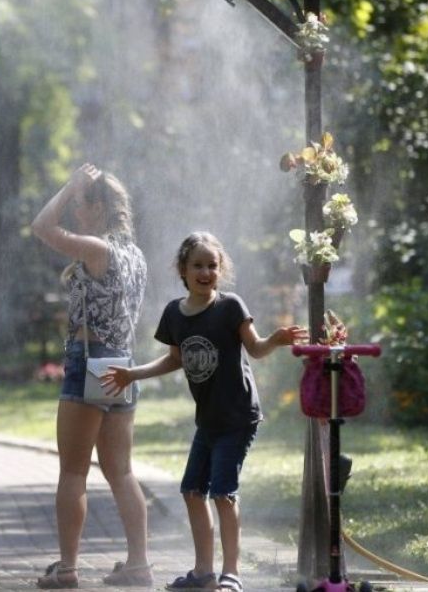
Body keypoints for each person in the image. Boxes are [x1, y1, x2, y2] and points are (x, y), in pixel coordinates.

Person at [101, 232, 308, 592]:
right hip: (209, 420)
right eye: (198, 265)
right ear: (182, 269)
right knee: (192, 491)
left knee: (223, 494)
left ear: (221, 269)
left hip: (238, 416)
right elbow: (175, 359)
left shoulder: (230, 307)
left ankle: (232, 574)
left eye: (212, 265)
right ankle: (203, 574)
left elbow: (256, 349)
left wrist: (275, 340)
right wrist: (133, 374)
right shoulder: (174, 314)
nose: (205, 272)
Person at [30, 163, 151, 589]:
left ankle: (67, 569)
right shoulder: (135, 255)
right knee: (121, 471)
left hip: (91, 359)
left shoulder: (98, 249)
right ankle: (139, 564)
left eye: (81, 204)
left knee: (73, 472)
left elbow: (42, 227)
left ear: (98, 207)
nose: (76, 212)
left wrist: (68, 186)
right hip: (124, 365)